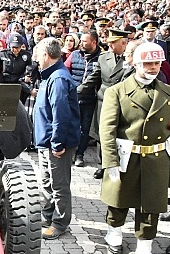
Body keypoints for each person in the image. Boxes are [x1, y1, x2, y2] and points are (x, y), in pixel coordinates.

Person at [99, 42, 170, 254]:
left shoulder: (169, 92)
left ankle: (144, 251)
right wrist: (110, 160)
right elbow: (108, 129)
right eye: (148, 63)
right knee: (119, 200)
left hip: (156, 157)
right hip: (128, 154)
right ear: (135, 63)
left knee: (151, 206)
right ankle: (114, 233)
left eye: (157, 63)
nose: (153, 67)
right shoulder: (118, 91)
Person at [32, 38, 81, 240]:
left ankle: (60, 223)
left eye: (37, 55)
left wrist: (57, 143)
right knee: (47, 182)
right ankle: (48, 216)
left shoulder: (58, 79)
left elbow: (61, 114)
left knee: (58, 184)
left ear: (46, 55)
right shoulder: (50, 76)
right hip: (47, 143)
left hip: (56, 144)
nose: (36, 60)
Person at [79, 29, 130, 179]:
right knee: (102, 134)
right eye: (109, 43)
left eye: (113, 43)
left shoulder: (130, 58)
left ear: (124, 43)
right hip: (104, 102)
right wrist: (76, 93)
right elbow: (92, 79)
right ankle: (104, 165)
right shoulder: (103, 58)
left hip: (123, 102)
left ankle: (120, 163)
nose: (110, 46)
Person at [65, 31, 101, 167]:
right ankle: (69, 151)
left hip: (90, 100)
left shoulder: (101, 58)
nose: (81, 43)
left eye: (84, 41)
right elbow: (65, 70)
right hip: (73, 98)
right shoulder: (74, 55)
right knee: (70, 125)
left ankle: (80, 154)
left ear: (93, 42)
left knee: (85, 129)